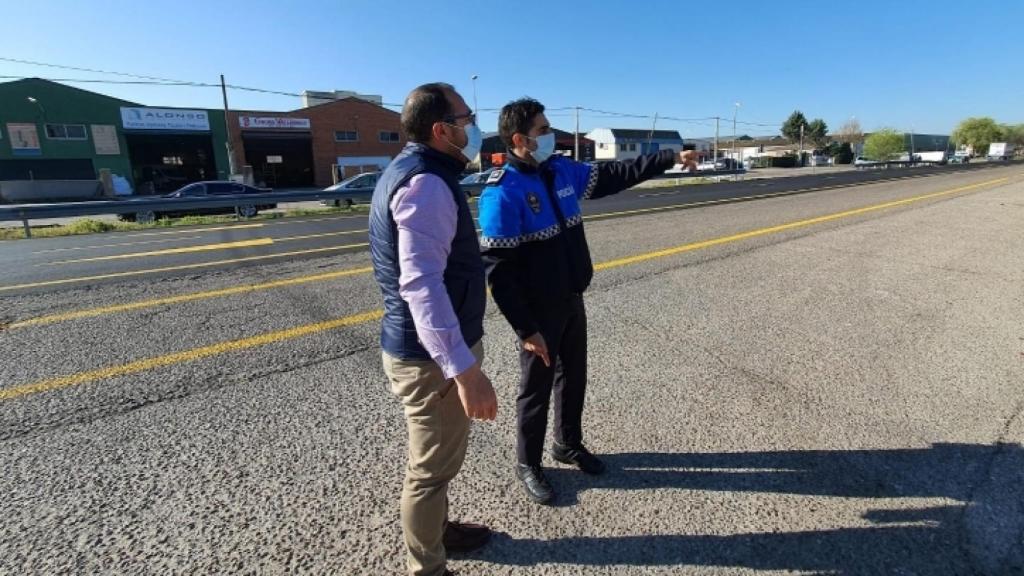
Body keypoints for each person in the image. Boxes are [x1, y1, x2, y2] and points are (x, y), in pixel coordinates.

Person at [478, 98, 699, 505]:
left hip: (571, 298)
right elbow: (499, 271)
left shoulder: (562, 170)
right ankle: (528, 462)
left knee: (574, 376)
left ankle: (568, 444)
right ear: (519, 138)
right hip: (538, 312)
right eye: (543, 130)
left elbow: (617, 172)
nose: (550, 135)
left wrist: (668, 157)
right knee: (535, 390)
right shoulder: (502, 192)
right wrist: (526, 329)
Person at [369, 82, 498, 576]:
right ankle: (427, 566)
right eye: (467, 119)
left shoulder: (412, 171)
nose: (474, 127)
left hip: (427, 352)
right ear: (442, 130)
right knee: (428, 471)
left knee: (438, 460)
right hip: (431, 360)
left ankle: (439, 531)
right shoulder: (426, 183)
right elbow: (421, 284)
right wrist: (465, 372)